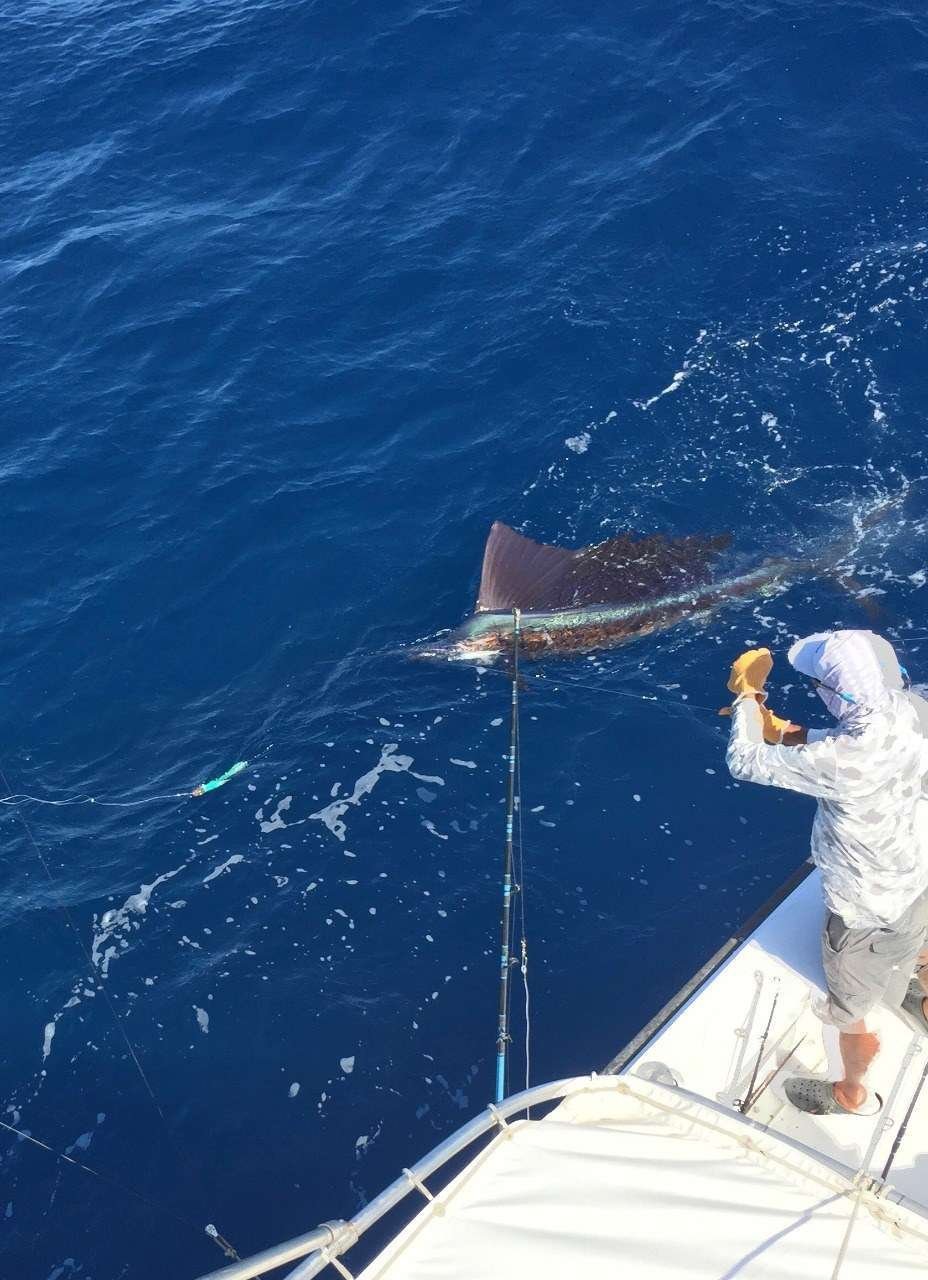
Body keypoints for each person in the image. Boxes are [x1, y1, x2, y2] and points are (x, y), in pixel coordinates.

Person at [723, 630, 928, 1117]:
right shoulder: (916, 707)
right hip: (917, 877)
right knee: (917, 942)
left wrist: (747, 700)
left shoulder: (844, 761)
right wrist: (788, 732)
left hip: (862, 906)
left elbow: (743, 761)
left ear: (838, 691)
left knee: (851, 1010)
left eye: (821, 683)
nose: (818, 690)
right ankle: (921, 999)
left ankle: (851, 1093)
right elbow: (865, 732)